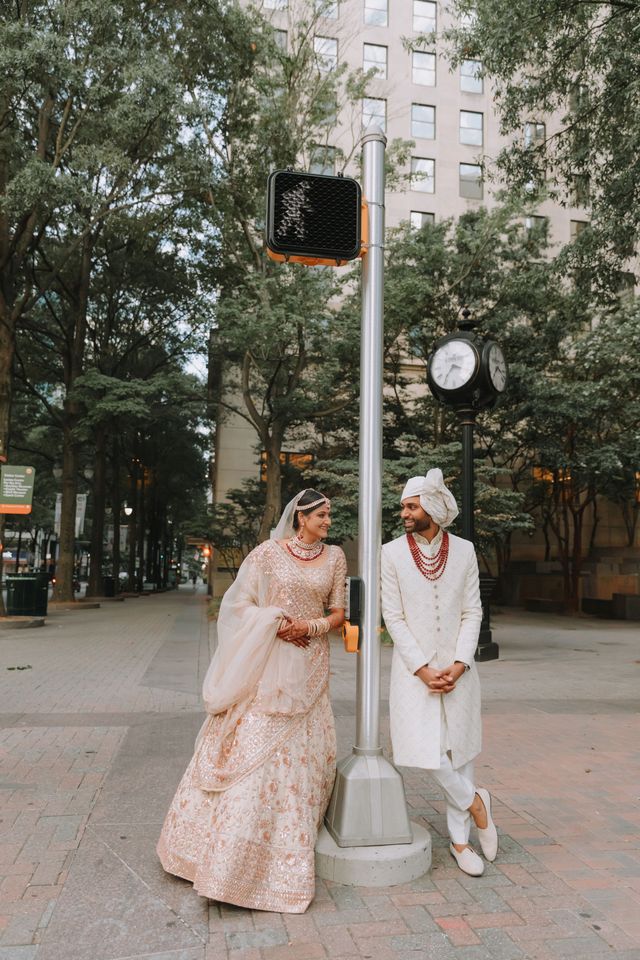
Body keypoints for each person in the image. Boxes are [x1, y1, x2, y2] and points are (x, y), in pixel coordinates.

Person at [157, 489, 346, 912]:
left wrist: (311, 627)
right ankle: (220, 861)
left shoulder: (334, 557)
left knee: (300, 755)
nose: (328, 521)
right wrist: (273, 622)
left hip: (310, 664)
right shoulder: (267, 553)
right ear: (301, 517)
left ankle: (279, 856)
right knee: (253, 746)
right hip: (268, 662)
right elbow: (238, 602)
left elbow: (338, 612)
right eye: (322, 515)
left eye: (330, 515)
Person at [381, 468, 498, 877]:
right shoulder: (391, 552)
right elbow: (392, 617)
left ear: (431, 506)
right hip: (414, 672)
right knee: (426, 751)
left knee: (460, 750)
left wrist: (461, 664)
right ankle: (475, 803)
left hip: (458, 667)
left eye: (412, 506)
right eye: (404, 507)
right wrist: (422, 669)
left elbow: (472, 611)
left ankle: (461, 841)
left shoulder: (464, 551)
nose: (405, 513)